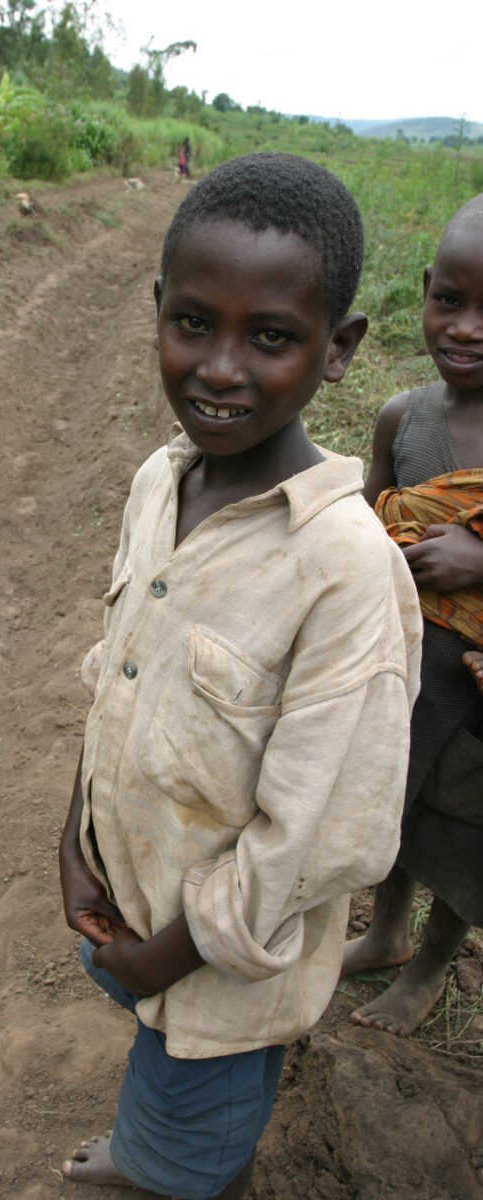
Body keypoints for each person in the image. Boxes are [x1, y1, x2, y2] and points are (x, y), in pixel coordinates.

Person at [59, 152, 422, 1200]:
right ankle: (148, 1143)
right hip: (126, 905)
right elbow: (114, 674)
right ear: (155, 312)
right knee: (155, 1065)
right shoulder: (157, 480)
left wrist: (168, 955)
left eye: (269, 338)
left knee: (193, 1126)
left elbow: (319, 837)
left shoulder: (342, 571)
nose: (220, 368)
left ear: (338, 349)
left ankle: (161, 1170)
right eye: (191, 324)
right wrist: (70, 840)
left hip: (219, 970)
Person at [342, 195, 483, 1052]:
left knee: (466, 830)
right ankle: (386, 929)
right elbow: (365, 528)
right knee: (388, 806)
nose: (466, 328)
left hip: (474, 694)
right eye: (452, 299)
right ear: (426, 290)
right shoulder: (403, 417)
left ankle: (431, 965)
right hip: (402, 669)